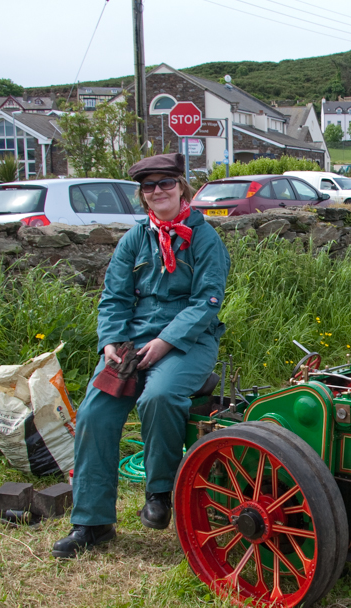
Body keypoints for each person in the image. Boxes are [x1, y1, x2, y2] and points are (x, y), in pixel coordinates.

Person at [52, 153, 231, 558]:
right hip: (131, 341)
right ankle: (92, 523)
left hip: (188, 341)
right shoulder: (135, 239)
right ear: (142, 195)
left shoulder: (204, 239)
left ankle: (160, 493)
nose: (158, 191)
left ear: (181, 187)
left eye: (165, 183)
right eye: (149, 186)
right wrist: (111, 342)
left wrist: (165, 343)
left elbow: (207, 302)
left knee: (160, 397)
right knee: (95, 413)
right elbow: (113, 296)